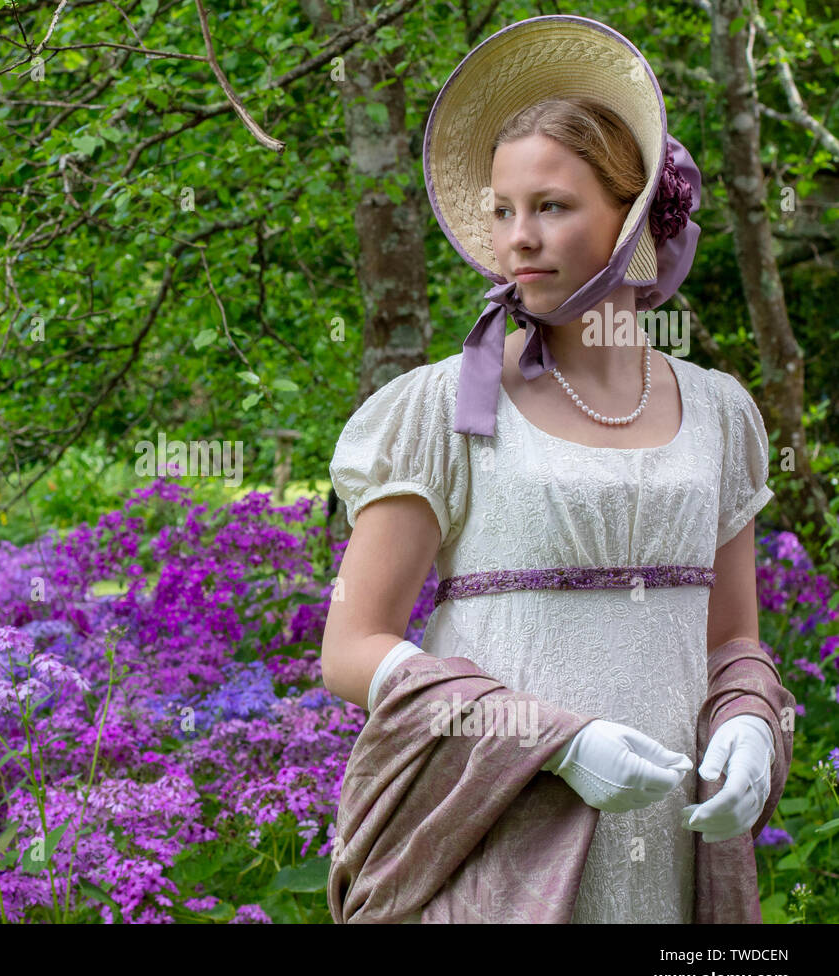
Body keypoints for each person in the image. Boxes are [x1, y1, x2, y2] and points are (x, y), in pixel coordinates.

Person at [322, 15, 792, 923]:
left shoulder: (721, 414)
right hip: (500, 827)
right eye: (502, 209)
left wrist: (745, 718)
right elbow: (350, 649)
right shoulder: (443, 407)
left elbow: (733, 640)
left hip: (671, 848)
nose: (516, 239)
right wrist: (554, 744)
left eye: (551, 206)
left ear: (633, 215)